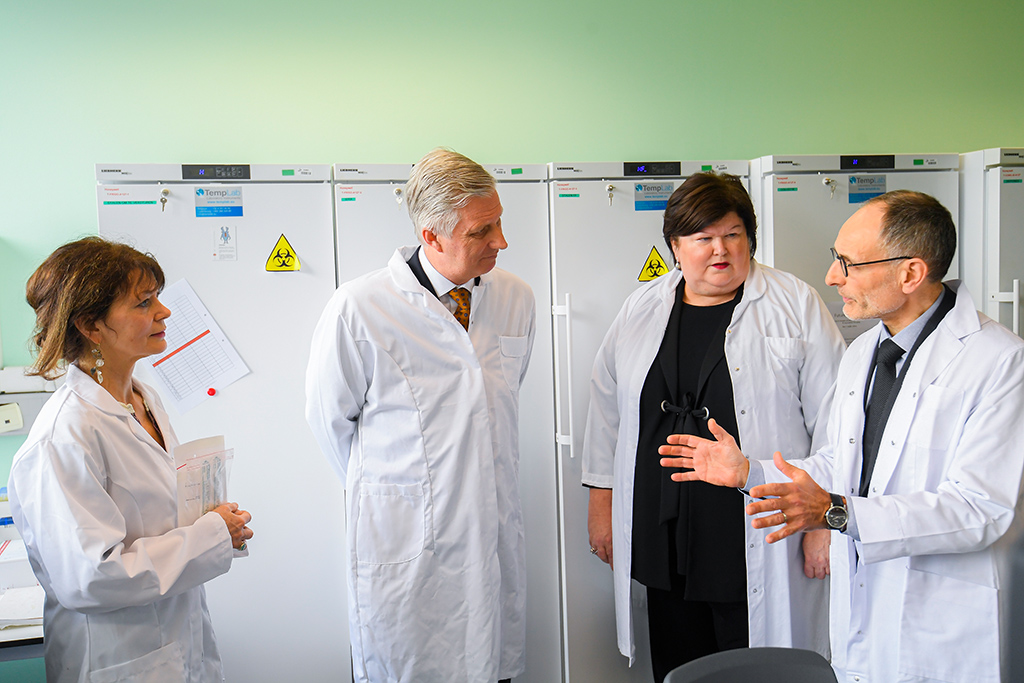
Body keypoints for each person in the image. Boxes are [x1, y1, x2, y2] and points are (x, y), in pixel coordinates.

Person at [660, 190, 1024, 683]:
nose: (832, 276)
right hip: (864, 603)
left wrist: (834, 514)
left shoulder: (1000, 363)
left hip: (942, 617)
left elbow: (981, 509)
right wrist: (751, 471)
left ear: (910, 273)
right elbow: (842, 463)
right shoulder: (865, 352)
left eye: (848, 264)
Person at [582, 172, 845, 681]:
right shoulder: (644, 305)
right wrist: (602, 507)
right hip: (664, 525)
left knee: (752, 661)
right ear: (675, 247)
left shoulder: (795, 304)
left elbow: (836, 421)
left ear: (750, 238)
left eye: (733, 234)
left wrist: (821, 525)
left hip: (750, 524)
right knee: (679, 663)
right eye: (702, 238)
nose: (719, 250)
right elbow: (607, 407)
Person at [305, 148, 535, 683]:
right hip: (408, 550)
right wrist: (407, 494)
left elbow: (494, 409)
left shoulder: (516, 298)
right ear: (432, 235)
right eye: (483, 231)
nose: (501, 241)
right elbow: (329, 423)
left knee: (493, 665)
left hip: (493, 537)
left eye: (500, 222)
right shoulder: (360, 308)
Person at [7, 237, 253, 683]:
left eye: (157, 297)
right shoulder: (65, 436)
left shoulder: (143, 400)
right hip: (117, 660)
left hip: (177, 642)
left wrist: (215, 523)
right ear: (90, 326)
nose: (164, 312)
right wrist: (211, 534)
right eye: (143, 302)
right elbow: (91, 577)